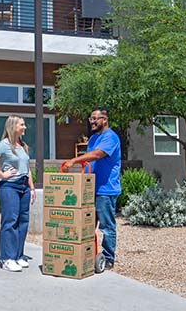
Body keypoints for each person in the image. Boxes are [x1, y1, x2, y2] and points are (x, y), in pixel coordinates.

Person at [65, 107, 121, 269]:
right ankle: (88, 254)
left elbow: (97, 155)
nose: (92, 122)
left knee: (106, 226)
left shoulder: (111, 137)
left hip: (106, 189)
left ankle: (109, 258)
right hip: (91, 189)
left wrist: (74, 160)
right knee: (88, 225)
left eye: (95, 118)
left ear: (104, 119)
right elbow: (89, 163)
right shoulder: (93, 139)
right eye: (90, 119)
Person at [0, 115, 36, 273]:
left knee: (23, 222)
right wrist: (2, 174)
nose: (25, 127)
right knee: (10, 221)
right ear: (13, 127)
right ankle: (7, 258)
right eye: (22, 124)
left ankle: (18, 255)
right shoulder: (4, 145)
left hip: (23, 187)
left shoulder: (22, 145)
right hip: (9, 187)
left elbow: (27, 168)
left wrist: (32, 188)